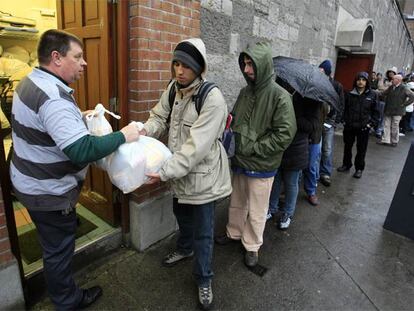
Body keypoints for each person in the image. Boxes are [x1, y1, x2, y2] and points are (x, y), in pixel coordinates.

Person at [10, 29, 140, 310]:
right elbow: (81, 150)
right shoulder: (54, 98)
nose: (85, 64)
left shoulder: (30, 82)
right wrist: (124, 135)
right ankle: (68, 301)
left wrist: (75, 118)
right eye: (78, 57)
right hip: (47, 191)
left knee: (52, 243)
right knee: (58, 252)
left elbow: (43, 123)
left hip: (27, 181)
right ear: (56, 58)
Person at [141, 38, 232, 310]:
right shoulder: (174, 89)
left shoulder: (212, 98)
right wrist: (144, 131)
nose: (179, 71)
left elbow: (195, 149)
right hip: (180, 175)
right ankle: (184, 248)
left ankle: (204, 278)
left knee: (204, 232)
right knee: (181, 215)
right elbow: (159, 117)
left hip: (203, 178)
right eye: (176, 64)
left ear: (200, 68)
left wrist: (164, 171)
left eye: (186, 66)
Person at [215, 42, 296, 267]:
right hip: (240, 160)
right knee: (237, 201)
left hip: (262, 164)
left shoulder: (280, 96)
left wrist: (253, 148)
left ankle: (252, 245)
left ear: (263, 65)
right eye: (245, 64)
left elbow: (285, 134)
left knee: (258, 209)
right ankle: (234, 232)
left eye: (252, 64)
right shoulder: (244, 92)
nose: (247, 69)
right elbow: (236, 119)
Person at [267, 92, 320, 229]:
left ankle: (288, 213)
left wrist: (294, 115)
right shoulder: (288, 94)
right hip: (281, 145)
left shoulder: (313, 101)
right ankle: (271, 208)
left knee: (291, 183)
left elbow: (311, 126)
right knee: (276, 179)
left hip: (297, 148)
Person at [337, 72, 380, 178]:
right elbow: (344, 108)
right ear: (355, 81)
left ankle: (359, 169)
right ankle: (346, 165)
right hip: (350, 126)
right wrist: (344, 120)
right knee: (347, 147)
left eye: (363, 80)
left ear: (367, 82)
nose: (361, 82)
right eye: (359, 80)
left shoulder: (372, 95)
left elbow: (376, 111)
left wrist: (371, 124)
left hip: (363, 127)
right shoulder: (349, 93)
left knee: (361, 149)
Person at [318, 60, 344, 187]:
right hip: (317, 121)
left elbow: (341, 104)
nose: (319, 73)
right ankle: (315, 172)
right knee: (316, 149)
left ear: (327, 73)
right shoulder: (317, 83)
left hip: (329, 122)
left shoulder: (337, 86)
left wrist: (336, 121)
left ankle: (325, 172)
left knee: (327, 149)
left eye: (322, 71)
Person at [377, 74, 414, 146]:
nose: (392, 80)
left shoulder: (404, 88)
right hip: (388, 109)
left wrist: (404, 104)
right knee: (386, 125)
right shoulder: (391, 87)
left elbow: (412, 96)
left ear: (398, 80)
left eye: (393, 79)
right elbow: (383, 93)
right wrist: (376, 92)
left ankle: (394, 141)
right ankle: (385, 140)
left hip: (398, 111)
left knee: (395, 126)